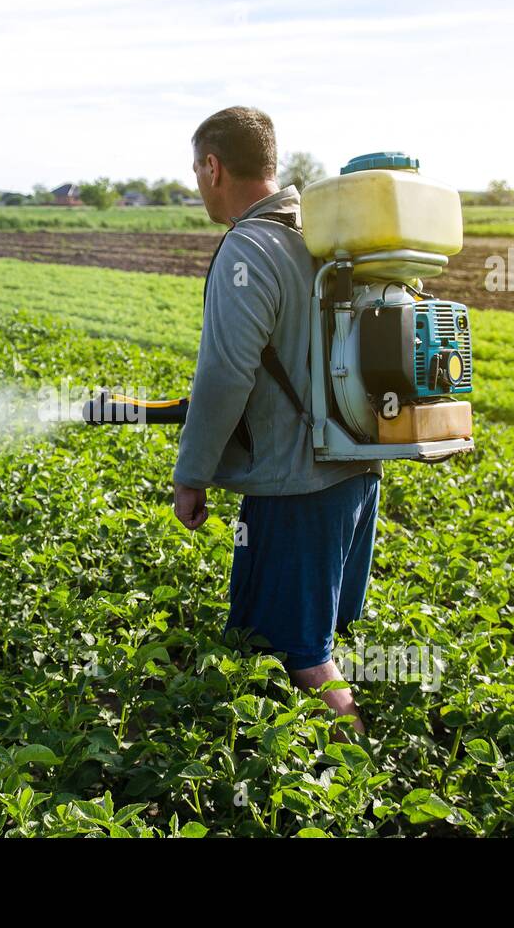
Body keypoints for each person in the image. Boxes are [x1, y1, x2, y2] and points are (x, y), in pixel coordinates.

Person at [171, 106, 382, 735]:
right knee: (288, 635)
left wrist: (192, 473)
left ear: (213, 166)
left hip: (296, 486)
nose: (196, 182)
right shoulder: (322, 235)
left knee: (306, 656)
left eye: (195, 169)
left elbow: (226, 374)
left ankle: (362, 785)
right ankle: (295, 777)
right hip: (355, 468)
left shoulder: (250, 246)